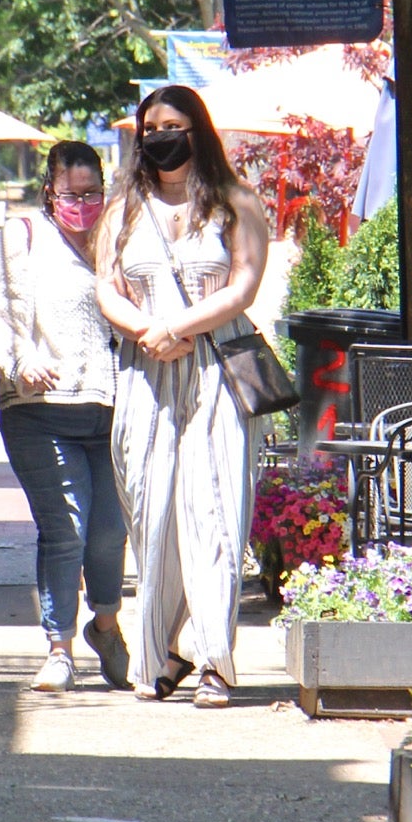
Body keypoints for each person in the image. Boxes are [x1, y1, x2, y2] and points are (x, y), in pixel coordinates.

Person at [96, 85, 269, 709]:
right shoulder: (125, 208)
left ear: (199, 130)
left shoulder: (235, 201)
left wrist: (180, 327)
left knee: (214, 511)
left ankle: (215, 661)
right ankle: (165, 652)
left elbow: (244, 284)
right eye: (151, 127)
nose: (161, 136)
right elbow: (106, 287)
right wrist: (146, 329)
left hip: (217, 370)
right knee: (153, 515)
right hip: (146, 373)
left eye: (174, 124)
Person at [0, 143, 129, 693]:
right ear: (48, 192)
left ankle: (104, 624)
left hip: (110, 411)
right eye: (71, 194)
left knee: (109, 535)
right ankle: (59, 648)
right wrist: (18, 360)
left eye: (92, 194)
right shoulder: (22, 237)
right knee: (67, 530)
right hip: (38, 411)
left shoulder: (119, 239)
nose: (82, 204)